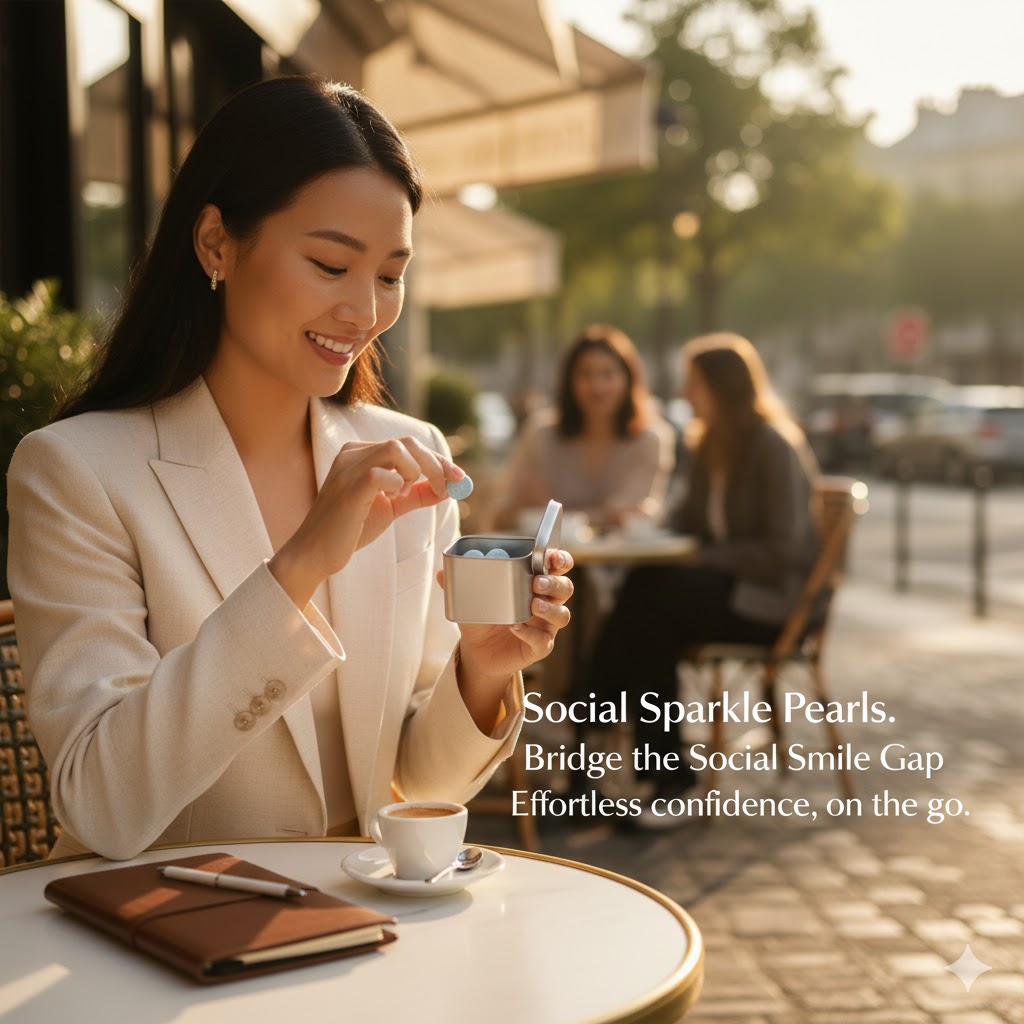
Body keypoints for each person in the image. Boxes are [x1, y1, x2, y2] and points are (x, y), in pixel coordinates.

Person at [5, 75, 573, 861]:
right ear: (216, 245)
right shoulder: (77, 472)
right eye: (331, 265)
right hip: (162, 947)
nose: (367, 313)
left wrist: (481, 670)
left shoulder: (410, 458)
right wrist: (301, 564)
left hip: (358, 933)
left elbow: (414, 786)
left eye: (389, 274)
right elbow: (103, 800)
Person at [587, 332, 819, 827]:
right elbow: (688, 523)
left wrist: (705, 558)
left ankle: (587, 716)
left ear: (722, 388)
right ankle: (665, 777)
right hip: (723, 593)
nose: (687, 394)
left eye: (695, 384)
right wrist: (645, 524)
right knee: (652, 617)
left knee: (654, 597)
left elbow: (781, 553)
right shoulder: (708, 444)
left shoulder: (773, 447)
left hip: (771, 604)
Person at [490, 325, 675, 533]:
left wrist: (555, 514)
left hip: (627, 563)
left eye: (608, 374)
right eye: (585, 374)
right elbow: (500, 517)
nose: (596, 385)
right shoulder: (540, 434)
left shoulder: (649, 439)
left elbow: (633, 514)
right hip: (550, 562)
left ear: (628, 380)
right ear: (569, 382)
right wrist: (518, 504)